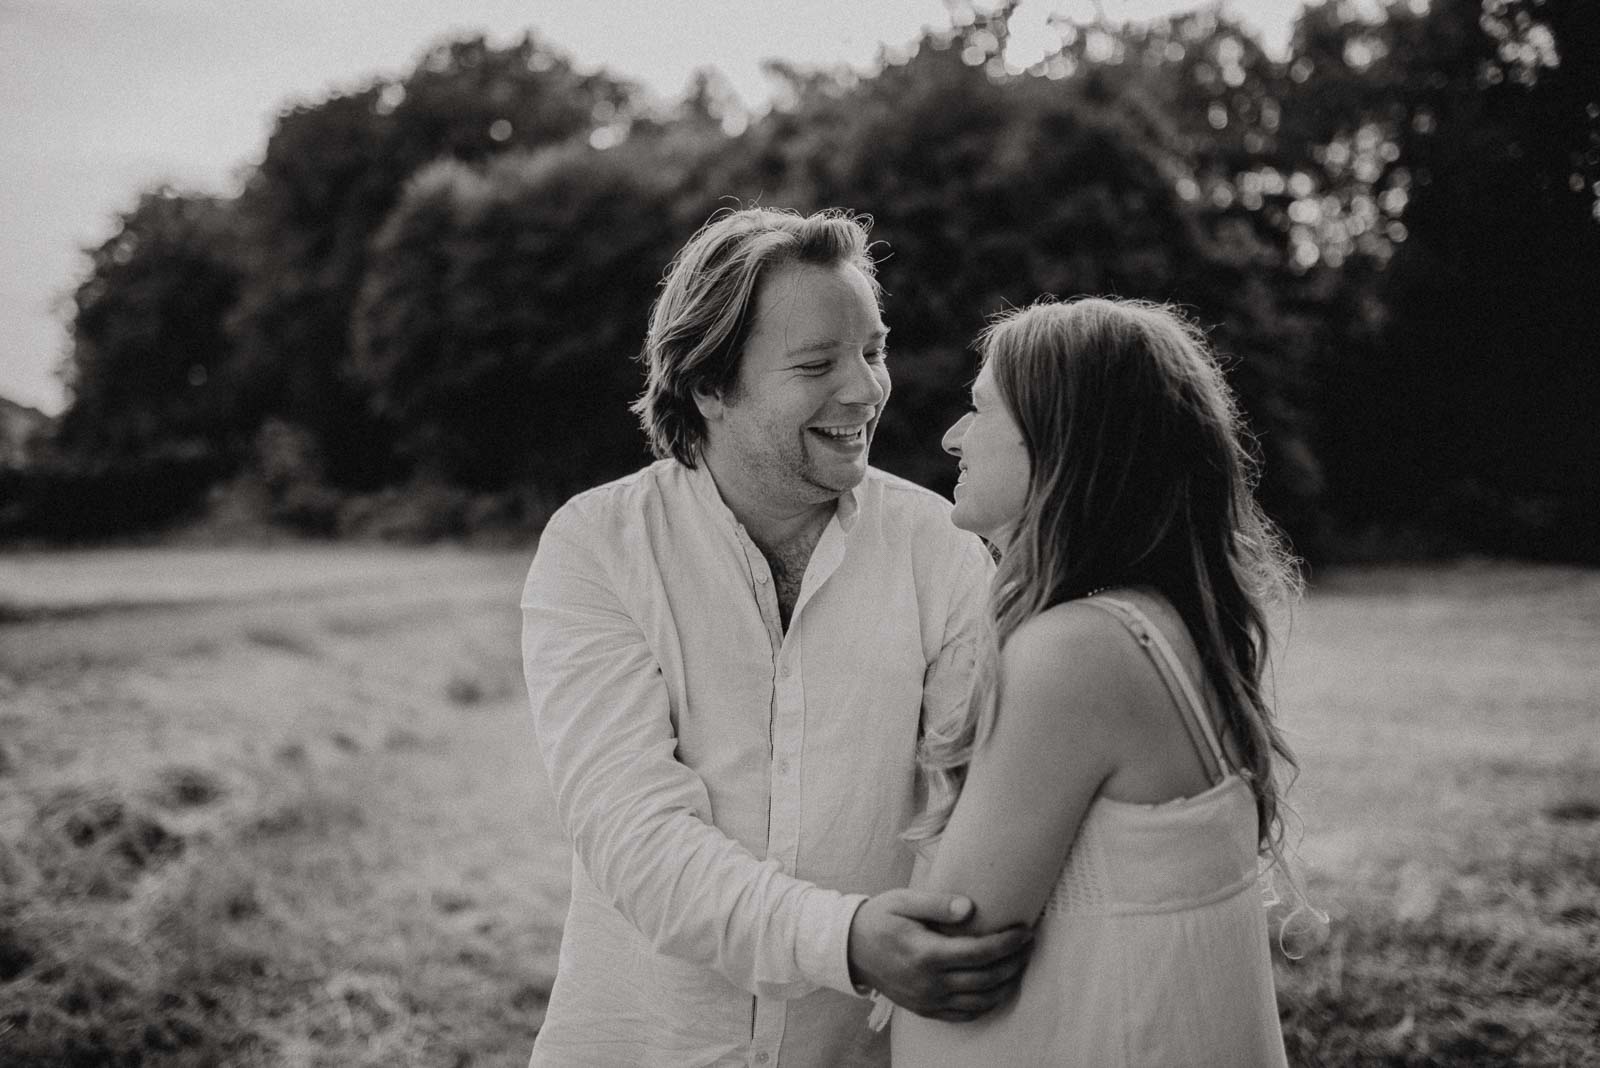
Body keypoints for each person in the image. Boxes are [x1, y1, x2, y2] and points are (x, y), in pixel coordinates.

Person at [520, 207, 1032, 1068]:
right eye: (816, 364)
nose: (867, 389)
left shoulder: (939, 549)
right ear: (710, 386)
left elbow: (966, 811)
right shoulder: (597, 547)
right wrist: (848, 938)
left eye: (873, 350)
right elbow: (635, 837)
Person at [888, 297, 1299, 1066]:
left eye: (979, 410)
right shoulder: (1152, 622)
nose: (952, 437)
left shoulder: (1074, 652)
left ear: (1062, 440)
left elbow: (949, 942)